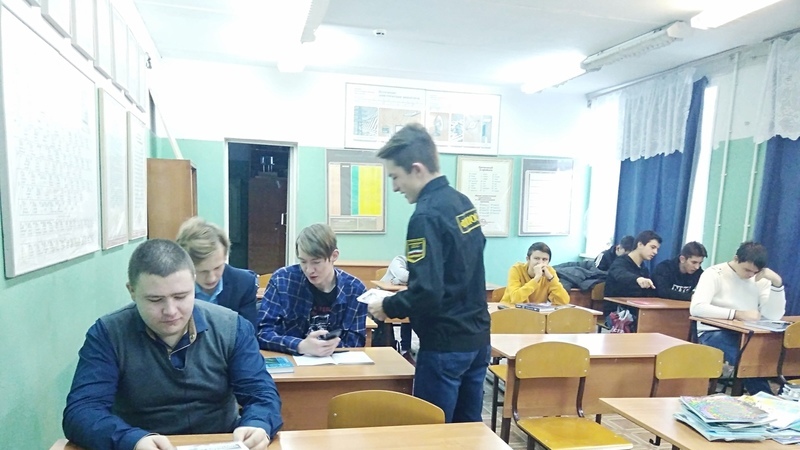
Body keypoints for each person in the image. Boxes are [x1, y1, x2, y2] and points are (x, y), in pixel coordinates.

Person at [63, 239, 282, 450]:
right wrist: (131, 440)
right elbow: (82, 411)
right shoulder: (108, 334)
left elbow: (261, 394)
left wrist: (258, 424)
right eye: (155, 300)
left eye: (180, 296)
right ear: (132, 291)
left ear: (193, 283)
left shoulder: (232, 327)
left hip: (219, 440)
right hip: (141, 443)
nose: (170, 311)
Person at [367, 123, 491, 423]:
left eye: (395, 177)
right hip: (477, 340)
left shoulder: (425, 216)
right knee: (468, 432)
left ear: (417, 169)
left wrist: (387, 306)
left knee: (432, 433)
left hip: (445, 346)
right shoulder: (462, 202)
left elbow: (427, 291)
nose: (395, 187)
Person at [257, 223, 367, 356]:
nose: (309, 270)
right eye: (303, 262)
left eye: (316, 262)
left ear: (334, 256)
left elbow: (357, 341)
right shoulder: (282, 280)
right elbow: (262, 333)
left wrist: (330, 346)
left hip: (335, 363)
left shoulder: (355, 289)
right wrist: (300, 346)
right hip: (290, 360)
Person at [690, 241, 785, 394]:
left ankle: (778, 395)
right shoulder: (714, 273)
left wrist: (777, 283)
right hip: (712, 331)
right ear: (736, 259)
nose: (750, 275)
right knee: (747, 359)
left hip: (747, 332)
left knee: (775, 354)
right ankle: (765, 397)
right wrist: (737, 314)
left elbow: (774, 315)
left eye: (754, 272)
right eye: (747, 270)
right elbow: (697, 308)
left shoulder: (759, 278)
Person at [176, 216, 259, 330]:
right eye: (202, 271)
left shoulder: (244, 283)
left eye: (217, 268)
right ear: (186, 265)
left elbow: (249, 333)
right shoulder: (173, 286)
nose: (211, 278)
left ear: (225, 257)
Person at [603, 230, 661, 316]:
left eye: (657, 249)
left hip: (637, 311)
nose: (655, 252)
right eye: (652, 247)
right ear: (640, 245)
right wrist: (637, 279)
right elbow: (620, 274)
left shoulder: (643, 269)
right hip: (617, 314)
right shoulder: (619, 262)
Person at [500, 242, 570, 305]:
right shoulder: (516, 269)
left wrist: (551, 278)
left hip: (535, 313)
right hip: (510, 310)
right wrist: (536, 278)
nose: (540, 262)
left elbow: (564, 301)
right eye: (536, 258)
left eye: (544, 259)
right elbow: (515, 298)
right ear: (528, 259)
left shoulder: (549, 272)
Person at [379, 255, 415, 358]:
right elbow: (403, 276)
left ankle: (405, 348)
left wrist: (398, 281)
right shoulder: (399, 260)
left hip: (406, 297)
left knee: (411, 311)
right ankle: (400, 348)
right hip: (385, 297)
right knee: (404, 309)